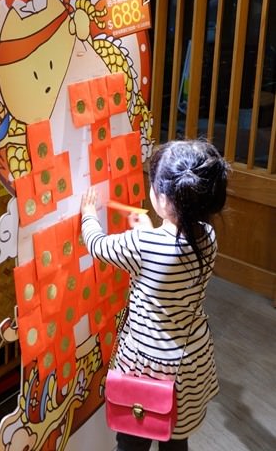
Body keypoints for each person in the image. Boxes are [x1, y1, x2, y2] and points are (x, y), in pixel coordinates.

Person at [81, 139, 230, 451]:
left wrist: (88, 215)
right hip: (190, 362)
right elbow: (168, 250)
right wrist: (149, 228)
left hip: (146, 365)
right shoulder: (209, 238)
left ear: (163, 199)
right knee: (176, 438)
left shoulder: (142, 245)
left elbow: (98, 245)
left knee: (132, 438)